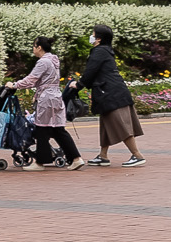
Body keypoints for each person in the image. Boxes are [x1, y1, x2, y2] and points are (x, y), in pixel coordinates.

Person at [8, 34, 78, 168]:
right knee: (58, 129)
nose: (33, 49)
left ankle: (40, 162)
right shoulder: (54, 60)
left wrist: (15, 85)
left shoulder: (43, 62)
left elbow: (31, 79)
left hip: (46, 98)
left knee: (41, 129)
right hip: (56, 97)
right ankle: (76, 158)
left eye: (34, 46)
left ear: (39, 47)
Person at [79, 24, 144, 167]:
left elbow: (91, 71)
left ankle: (137, 155)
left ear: (99, 38)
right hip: (114, 91)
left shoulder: (99, 52)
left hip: (111, 93)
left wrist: (78, 85)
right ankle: (103, 156)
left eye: (93, 34)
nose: (91, 36)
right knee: (107, 125)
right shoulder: (106, 50)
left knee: (120, 124)